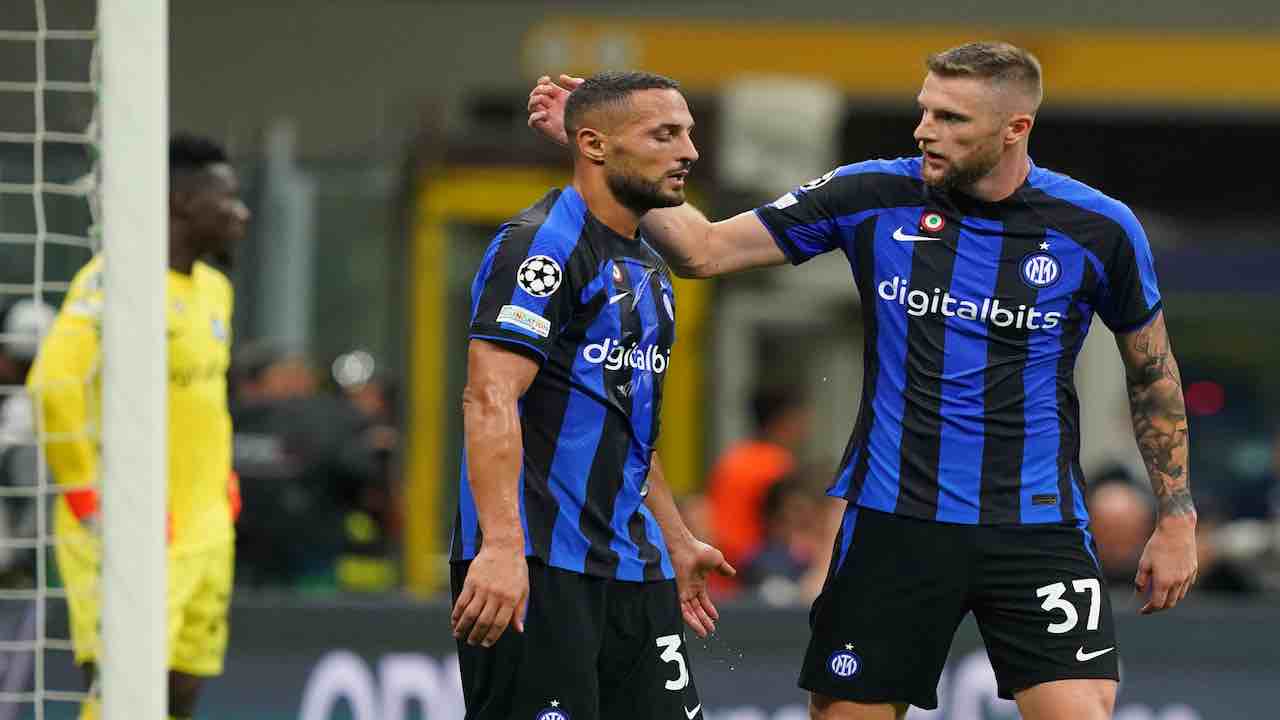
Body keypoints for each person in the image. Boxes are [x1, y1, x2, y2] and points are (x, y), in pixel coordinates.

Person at [528, 41, 1197, 720]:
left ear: (1014, 128)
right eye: (925, 110)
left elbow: (1152, 374)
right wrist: (604, 152)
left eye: (952, 118)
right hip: (892, 523)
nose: (926, 130)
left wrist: (1176, 517)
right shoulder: (872, 192)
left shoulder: (1099, 228)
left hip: (1036, 527)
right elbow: (704, 250)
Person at [450, 71, 733, 720]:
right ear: (594, 145)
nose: (688, 151)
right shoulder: (542, 247)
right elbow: (489, 399)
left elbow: (626, 423)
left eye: (688, 133)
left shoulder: (649, 265)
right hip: (539, 564)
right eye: (664, 135)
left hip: (636, 565)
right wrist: (501, 548)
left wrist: (676, 537)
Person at [27, 134, 250, 720]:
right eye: (227, 200)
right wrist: (86, 495)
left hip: (205, 527)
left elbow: (206, 400)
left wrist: (222, 480)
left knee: (182, 690)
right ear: (182, 202)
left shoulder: (215, 290)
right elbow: (52, 386)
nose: (241, 214)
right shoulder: (114, 282)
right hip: (132, 525)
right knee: (125, 690)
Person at [706, 384, 812, 574]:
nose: (804, 430)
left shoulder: (732, 458)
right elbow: (789, 527)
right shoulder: (778, 464)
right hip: (754, 567)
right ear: (783, 421)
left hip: (720, 563)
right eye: (799, 420)